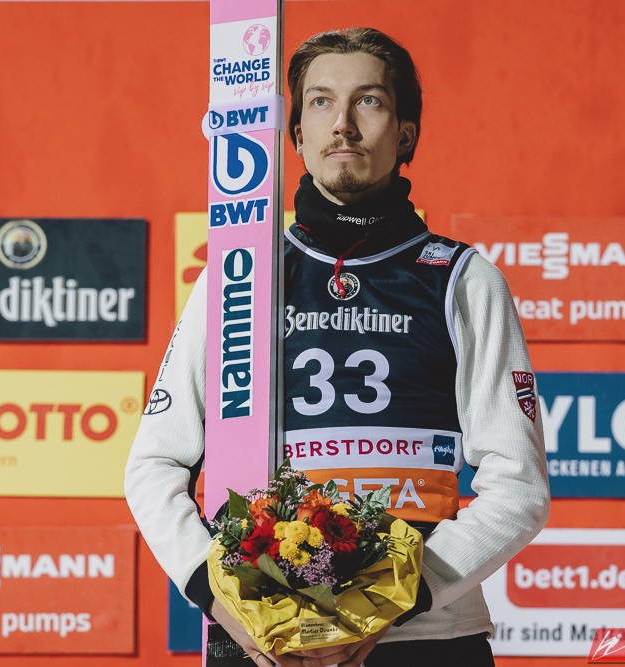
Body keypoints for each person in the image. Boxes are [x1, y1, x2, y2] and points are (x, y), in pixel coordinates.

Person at [125, 27, 549, 667]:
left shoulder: (463, 279)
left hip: (425, 637)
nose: (343, 124)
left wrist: (386, 603)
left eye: (368, 101)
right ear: (296, 134)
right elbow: (154, 465)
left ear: (405, 135)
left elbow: (519, 487)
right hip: (262, 639)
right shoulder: (237, 278)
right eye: (320, 102)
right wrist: (220, 598)